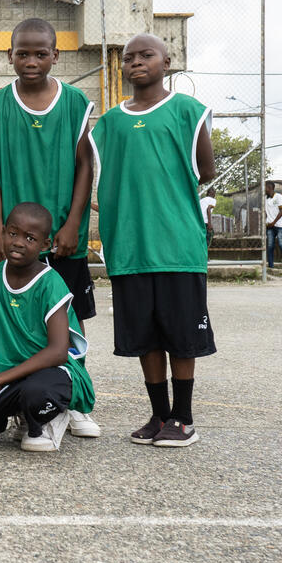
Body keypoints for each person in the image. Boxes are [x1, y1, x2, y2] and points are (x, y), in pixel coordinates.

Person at [89, 33, 216, 447]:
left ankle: (184, 418)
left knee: (180, 336)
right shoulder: (108, 123)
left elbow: (206, 170)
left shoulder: (187, 111)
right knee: (145, 338)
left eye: (147, 56)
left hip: (177, 245)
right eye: (129, 58)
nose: (136, 63)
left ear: (168, 61)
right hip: (131, 246)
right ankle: (160, 415)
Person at [0, 17, 101, 438]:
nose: (31, 60)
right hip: (17, 237)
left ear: (55, 55)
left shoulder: (73, 103)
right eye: (22, 53)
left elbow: (86, 164)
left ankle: (76, 398)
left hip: (63, 237)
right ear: (9, 55)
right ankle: (20, 395)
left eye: (40, 53)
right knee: (17, 319)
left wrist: (72, 224)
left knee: (71, 320)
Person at [0, 202, 94, 452]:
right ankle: (12, 415)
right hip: (12, 377)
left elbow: (58, 352)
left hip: (53, 374)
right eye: (13, 233)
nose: (18, 242)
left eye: (30, 238)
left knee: (36, 392)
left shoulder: (50, 283)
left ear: (45, 245)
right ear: (2, 233)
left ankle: (44, 420)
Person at [265, 181, 282, 273]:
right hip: (270, 226)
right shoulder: (265, 199)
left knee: (281, 244)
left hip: (280, 225)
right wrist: (266, 222)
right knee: (270, 246)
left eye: (265, 187)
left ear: (269, 187)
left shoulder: (279, 196)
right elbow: (265, 212)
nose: (264, 189)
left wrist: (274, 222)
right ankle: (271, 267)